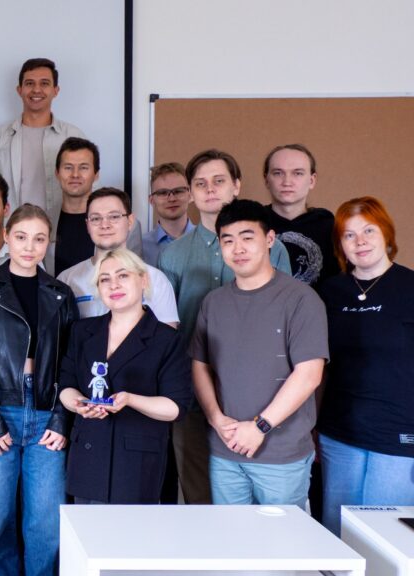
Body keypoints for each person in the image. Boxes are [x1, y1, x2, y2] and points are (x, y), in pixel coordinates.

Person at [157, 149, 292, 505]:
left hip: (258, 396)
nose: (210, 189)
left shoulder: (273, 249)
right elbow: (167, 333)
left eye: (219, 181)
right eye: (200, 183)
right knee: (199, 496)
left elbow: (284, 320)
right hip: (191, 392)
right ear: (190, 192)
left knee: (262, 503)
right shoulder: (172, 255)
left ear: (236, 185)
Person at [0, 203, 77, 576]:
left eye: (39, 239)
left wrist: (60, 420)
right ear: (7, 237)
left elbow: (71, 362)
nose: (29, 246)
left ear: (48, 243)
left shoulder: (61, 294)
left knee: (46, 527)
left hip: (46, 413)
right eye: (22, 237)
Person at [190, 199, 327, 507]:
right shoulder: (213, 302)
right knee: (229, 534)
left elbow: (309, 374)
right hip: (225, 451)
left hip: (281, 455)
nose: (237, 248)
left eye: (247, 237)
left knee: (282, 536)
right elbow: (200, 365)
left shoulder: (301, 299)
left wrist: (260, 426)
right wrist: (215, 419)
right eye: (228, 240)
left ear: (269, 239)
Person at [59, 248, 192, 504]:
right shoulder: (82, 331)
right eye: (105, 279)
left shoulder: (166, 339)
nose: (114, 285)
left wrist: (130, 399)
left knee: (131, 530)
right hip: (87, 454)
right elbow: (66, 385)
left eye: (123, 276)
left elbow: (176, 407)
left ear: (143, 280)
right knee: (85, 528)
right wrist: (79, 404)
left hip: (135, 463)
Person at [316, 197, 414, 535]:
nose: (360, 241)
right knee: (336, 529)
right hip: (339, 431)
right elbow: (319, 366)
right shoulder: (329, 293)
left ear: (386, 233)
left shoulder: (410, 287)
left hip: (398, 433)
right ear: (340, 245)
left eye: (369, 231)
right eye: (349, 234)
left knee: (383, 535)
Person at [0, 58, 85, 241]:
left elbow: (90, 192)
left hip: (62, 239)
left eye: (44, 83)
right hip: (10, 242)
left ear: (56, 90)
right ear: (20, 90)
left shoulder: (73, 137)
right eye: (30, 83)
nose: (36, 90)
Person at [58, 188, 178, 326]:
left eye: (114, 217)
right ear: (87, 225)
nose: (105, 225)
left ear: (130, 221)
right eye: (96, 218)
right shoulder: (67, 280)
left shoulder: (155, 279)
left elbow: (167, 336)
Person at [52, 137, 142, 275]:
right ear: (57, 173)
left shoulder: (128, 224)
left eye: (83, 167)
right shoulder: (44, 221)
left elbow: (136, 274)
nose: (75, 174)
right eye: (68, 167)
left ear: (96, 174)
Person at [263, 143, 340, 286]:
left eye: (297, 173)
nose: (287, 182)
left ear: (312, 180)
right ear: (266, 180)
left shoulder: (331, 227)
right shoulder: (253, 224)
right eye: (278, 173)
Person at [142, 162, 193, 267]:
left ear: (190, 195)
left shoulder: (211, 242)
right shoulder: (141, 248)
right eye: (163, 193)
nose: (172, 199)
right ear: (152, 200)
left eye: (178, 191)